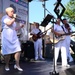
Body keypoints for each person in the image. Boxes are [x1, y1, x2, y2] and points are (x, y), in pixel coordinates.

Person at [1, 7, 23, 71]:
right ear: (7, 12)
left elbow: (14, 28)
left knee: (18, 50)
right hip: (7, 36)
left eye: (13, 11)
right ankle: (7, 65)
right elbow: (9, 23)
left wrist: (20, 27)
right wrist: (14, 18)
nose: (13, 13)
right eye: (11, 11)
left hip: (13, 36)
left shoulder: (12, 19)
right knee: (7, 53)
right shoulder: (4, 18)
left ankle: (17, 65)